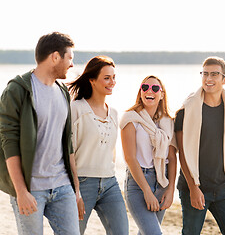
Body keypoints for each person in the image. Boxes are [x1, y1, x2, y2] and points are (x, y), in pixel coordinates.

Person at [0, 32, 80, 234]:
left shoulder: (63, 92)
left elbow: (67, 143)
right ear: (55, 57)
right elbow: (8, 141)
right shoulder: (17, 90)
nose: (72, 64)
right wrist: (20, 191)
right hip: (31, 187)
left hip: (62, 187)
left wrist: (76, 191)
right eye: (69, 57)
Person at [174, 56, 225, 235]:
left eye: (214, 74)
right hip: (195, 186)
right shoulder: (186, 111)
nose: (208, 79)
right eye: (205, 74)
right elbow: (182, 153)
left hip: (224, 187)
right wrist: (193, 188)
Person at [68, 56, 129, 234]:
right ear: (92, 80)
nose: (112, 82)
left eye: (114, 77)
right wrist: (76, 191)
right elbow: (68, 151)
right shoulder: (76, 109)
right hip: (83, 182)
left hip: (110, 183)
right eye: (107, 78)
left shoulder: (114, 113)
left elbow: (112, 151)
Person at [120, 75, 177, 235]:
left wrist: (171, 189)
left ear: (162, 94)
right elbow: (130, 158)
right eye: (145, 87)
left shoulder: (168, 122)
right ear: (140, 92)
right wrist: (146, 191)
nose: (149, 91)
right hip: (138, 184)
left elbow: (172, 158)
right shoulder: (131, 118)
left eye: (155, 88)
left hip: (162, 183)